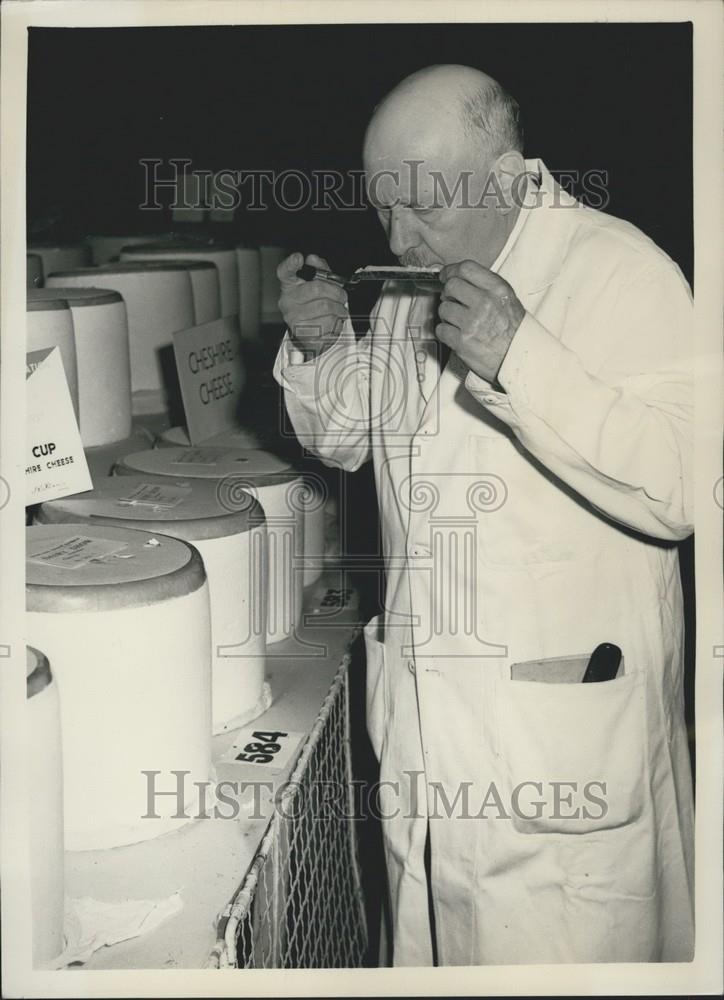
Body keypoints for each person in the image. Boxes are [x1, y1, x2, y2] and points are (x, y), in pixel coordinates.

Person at [273, 64, 694, 966]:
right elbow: (348, 435)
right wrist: (319, 346)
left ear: (507, 178)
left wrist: (519, 357)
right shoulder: (408, 288)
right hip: (432, 740)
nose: (398, 235)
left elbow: (685, 492)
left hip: (562, 756)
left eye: (421, 206)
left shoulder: (622, 272)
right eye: (382, 208)